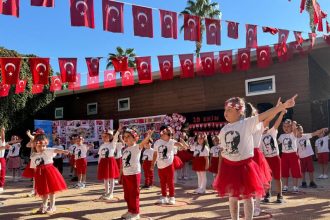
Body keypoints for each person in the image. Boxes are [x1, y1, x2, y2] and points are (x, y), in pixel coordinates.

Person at [213, 95, 297, 220]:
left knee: (248, 196)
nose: (225, 113)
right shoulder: (224, 129)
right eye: (225, 110)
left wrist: (281, 107)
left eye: (229, 110)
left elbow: (265, 116)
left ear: (239, 111)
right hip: (230, 167)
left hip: (245, 166)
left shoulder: (247, 123)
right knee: (232, 197)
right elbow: (224, 149)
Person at [29, 133, 69, 214]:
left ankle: (52, 206)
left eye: (44, 146)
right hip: (40, 174)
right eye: (39, 146)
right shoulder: (33, 155)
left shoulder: (47, 150)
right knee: (44, 191)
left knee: (51, 190)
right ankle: (44, 205)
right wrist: (35, 178)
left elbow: (55, 150)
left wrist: (63, 151)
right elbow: (34, 167)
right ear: (35, 146)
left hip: (50, 172)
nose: (42, 148)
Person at [120, 127, 152, 220]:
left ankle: (136, 212)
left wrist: (148, 136)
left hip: (134, 174)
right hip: (126, 175)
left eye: (128, 136)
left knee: (134, 194)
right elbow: (123, 163)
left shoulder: (136, 147)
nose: (125, 138)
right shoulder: (125, 150)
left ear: (135, 138)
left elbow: (142, 143)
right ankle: (130, 210)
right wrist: (120, 175)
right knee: (127, 194)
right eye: (124, 136)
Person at [151, 126, 186, 205]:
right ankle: (164, 197)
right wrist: (153, 163)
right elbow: (155, 153)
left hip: (169, 165)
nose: (164, 134)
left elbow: (178, 144)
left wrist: (183, 145)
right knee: (162, 182)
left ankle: (172, 197)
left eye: (167, 134)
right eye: (164, 133)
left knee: (170, 182)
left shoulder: (171, 141)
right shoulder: (157, 142)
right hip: (160, 166)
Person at [260, 110, 286, 203]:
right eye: (263, 125)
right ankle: (267, 194)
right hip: (266, 159)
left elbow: (277, 123)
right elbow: (261, 152)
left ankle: (280, 195)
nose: (265, 127)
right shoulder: (259, 137)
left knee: (277, 178)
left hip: (275, 158)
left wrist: (281, 114)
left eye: (266, 125)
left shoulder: (272, 132)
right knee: (267, 178)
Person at [278, 119, 302, 193]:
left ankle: (295, 187)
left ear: (292, 127)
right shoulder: (282, 136)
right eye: (284, 126)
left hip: (293, 155)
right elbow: (276, 144)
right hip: (284, 155)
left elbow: (294, 128)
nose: (286, 128)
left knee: (295, 171)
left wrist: (294, 123)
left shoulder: (293, 133)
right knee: (284, 171)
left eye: (288, 126)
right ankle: (285, 186)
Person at [97, 128, 120, 200]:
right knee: (105, 179)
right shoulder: (102, 146)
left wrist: (118, 130)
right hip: (103, 162)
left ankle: (111, 193)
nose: (104, 138)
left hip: (110, 162)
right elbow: (100, 156)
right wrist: (99, 164)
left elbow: (116, 137)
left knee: (111, 178)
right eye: (103, 136)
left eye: (106, 136)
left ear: (110, 137)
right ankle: (106, 192)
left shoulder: (112, 144)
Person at [0, 127, 10, 193]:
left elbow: (3, 137)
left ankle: (1, 186)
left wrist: (2, 130)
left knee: (2, 173)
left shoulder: (2, 141)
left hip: (1, 158)